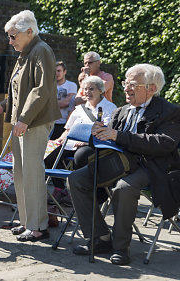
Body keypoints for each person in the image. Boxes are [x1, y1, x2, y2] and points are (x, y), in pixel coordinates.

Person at [68, 64, 180, 265]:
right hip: (117, 163)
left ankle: (121, 247)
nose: (126, 88)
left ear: (152, 88)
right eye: (125, 82)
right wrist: (98, 133)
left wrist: (119, 136)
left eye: (133, 84)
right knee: (76, 179)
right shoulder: (121, 111)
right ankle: (99, 238)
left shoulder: (169, 111)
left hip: (150, 165)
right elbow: (111, 139)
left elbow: (164, 144)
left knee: (124, 187)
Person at [0, 10, 60, 242]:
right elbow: (20, 92)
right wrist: (2, 105)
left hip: (34, 122)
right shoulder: (27, 51)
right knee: (20, 173)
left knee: (32, 172)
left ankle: (38, 225)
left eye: (13, 36)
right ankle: (28, 221)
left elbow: (41, 90)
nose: (10, 41)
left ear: (29, 32)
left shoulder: (41, 50)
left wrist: (25, 118)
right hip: (22, 121)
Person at [46, 76, 117, 205]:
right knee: (49, 157)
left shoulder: (109, 108)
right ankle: (61, 188)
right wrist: (59, 139)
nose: (88, 92)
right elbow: (68, 130)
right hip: (72, 144)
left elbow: (106, 130)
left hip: (93, 145)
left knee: (81, 155)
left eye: (91, 89)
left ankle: (81, 191)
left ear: (101, 90)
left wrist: (85, 141)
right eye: (85, 89)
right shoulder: (79, 109)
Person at [51, 61, 77, 140]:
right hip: (50, 123)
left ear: (64, 72)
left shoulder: (71, 85)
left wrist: (49, 104)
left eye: (59, 71)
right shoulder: (49, 86)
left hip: (64, 123)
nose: (56, 73)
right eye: (54, 71)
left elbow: (67, 102)